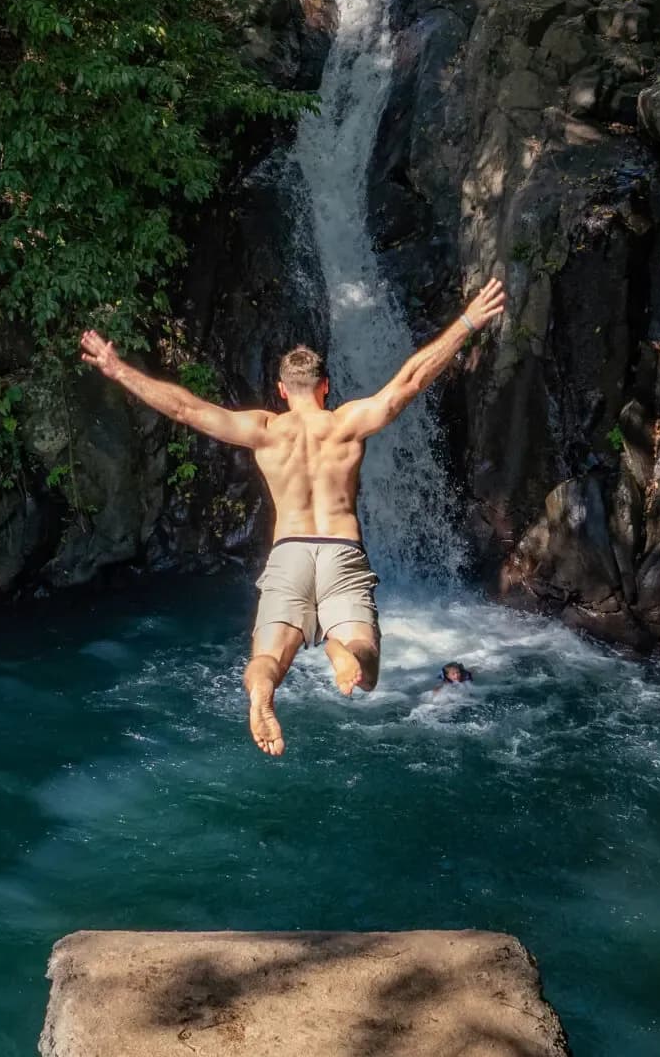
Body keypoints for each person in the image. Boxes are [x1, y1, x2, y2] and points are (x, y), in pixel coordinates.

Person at [79, 278, 507, 756]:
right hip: (342, 551)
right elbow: (408, 384)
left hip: (288, 555)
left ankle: (263, 692)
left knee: (268, 657)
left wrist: (118, 370)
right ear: (325, 386)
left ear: (282, 390)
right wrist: (467, 321)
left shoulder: (265, 429)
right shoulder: (345, 422)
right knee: (367, 666)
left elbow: (185, 408)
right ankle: (342, 649)